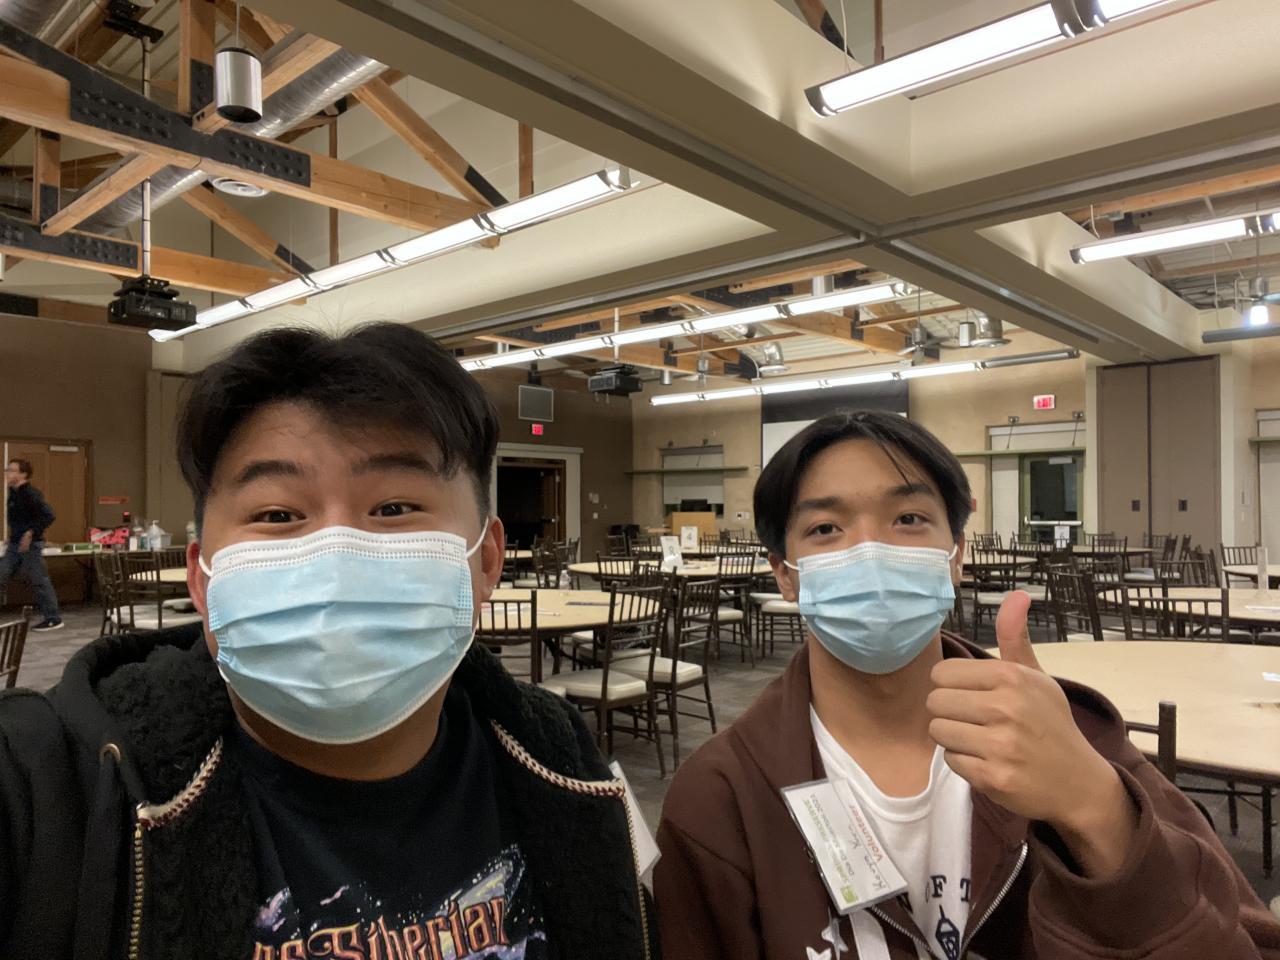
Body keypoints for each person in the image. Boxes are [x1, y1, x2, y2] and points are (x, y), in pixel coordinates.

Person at [0, 323, 655, 960]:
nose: (336, 557)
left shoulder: (564, 763)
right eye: (277, 514)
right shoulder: (62, 785)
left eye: (394, 508)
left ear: (485, 561)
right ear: (203, 580)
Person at [654, 410, 1280, 959]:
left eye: (908, 518)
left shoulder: (1072, 737)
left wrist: (1097, 810)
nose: (870, 552)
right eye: (825, 529)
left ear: (955, 556)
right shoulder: (720, 799)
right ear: (786, 574)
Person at [2, 458, 62, 631]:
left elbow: (48, 515)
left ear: (23, 474)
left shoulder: (30, 494)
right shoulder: (13, 493)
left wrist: (30, 533)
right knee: (1, 574)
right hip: (15, 544)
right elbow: (20, 520)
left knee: (39, 580)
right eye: (7, 470)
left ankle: (53, 618)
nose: (7, 473)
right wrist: (14, 536)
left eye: (12, 470)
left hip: (31, 546)